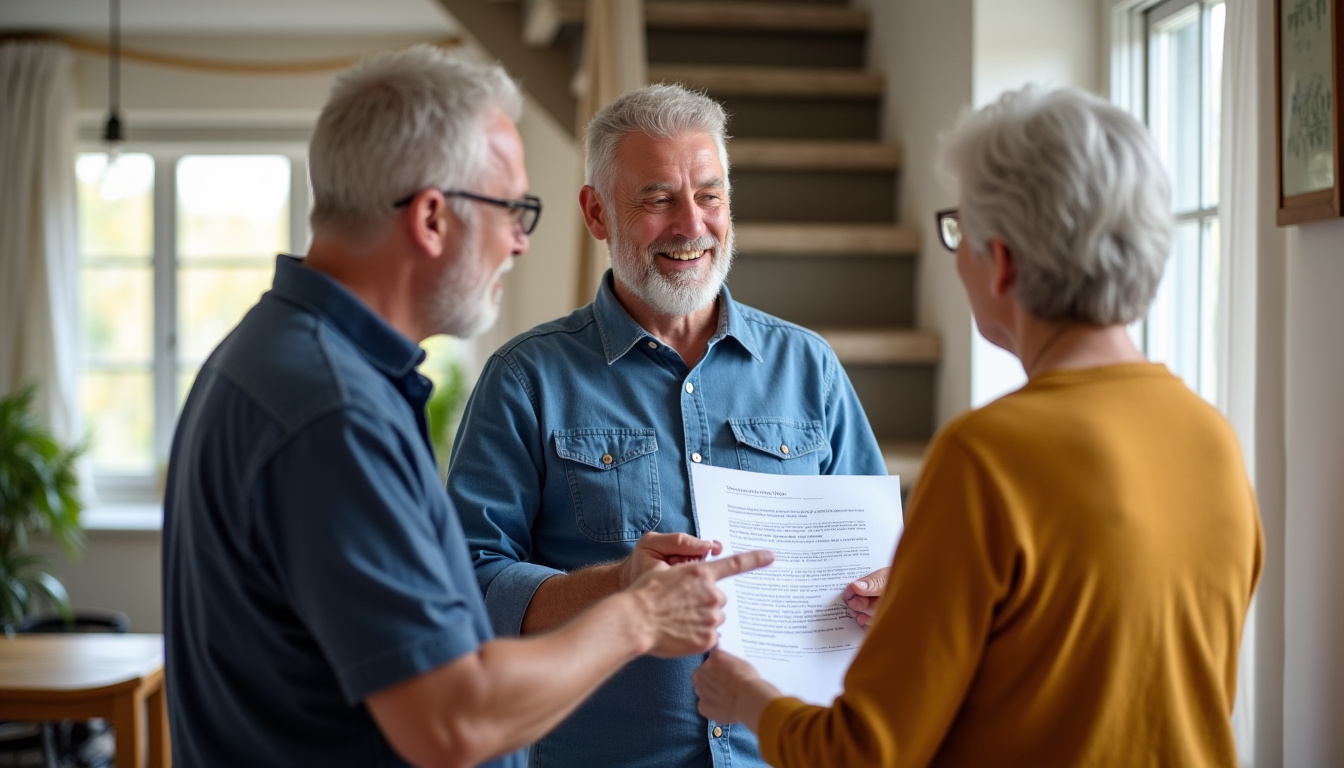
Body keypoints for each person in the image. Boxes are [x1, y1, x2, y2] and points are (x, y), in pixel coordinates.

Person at [162, 47, 771, 768]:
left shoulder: (275, 357)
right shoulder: (334, 412)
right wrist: (638, 617)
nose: (520, 241)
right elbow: (452, 721)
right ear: (431, 218)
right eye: (513, 208)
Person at [692, 85, 1264, 767]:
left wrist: (748, 696)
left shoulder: (988, 456)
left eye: (958, 229)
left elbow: (863, 754)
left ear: (1005, 263)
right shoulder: (1212, 438)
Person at [446, 82, 887, 768]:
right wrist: (619, 585)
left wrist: (890, 588)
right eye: (657, 199)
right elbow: (466, 584)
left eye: (709, 195)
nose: (691, 225)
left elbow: (877, 556)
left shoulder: (811, 367)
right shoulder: (525, 378)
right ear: (596, 212)